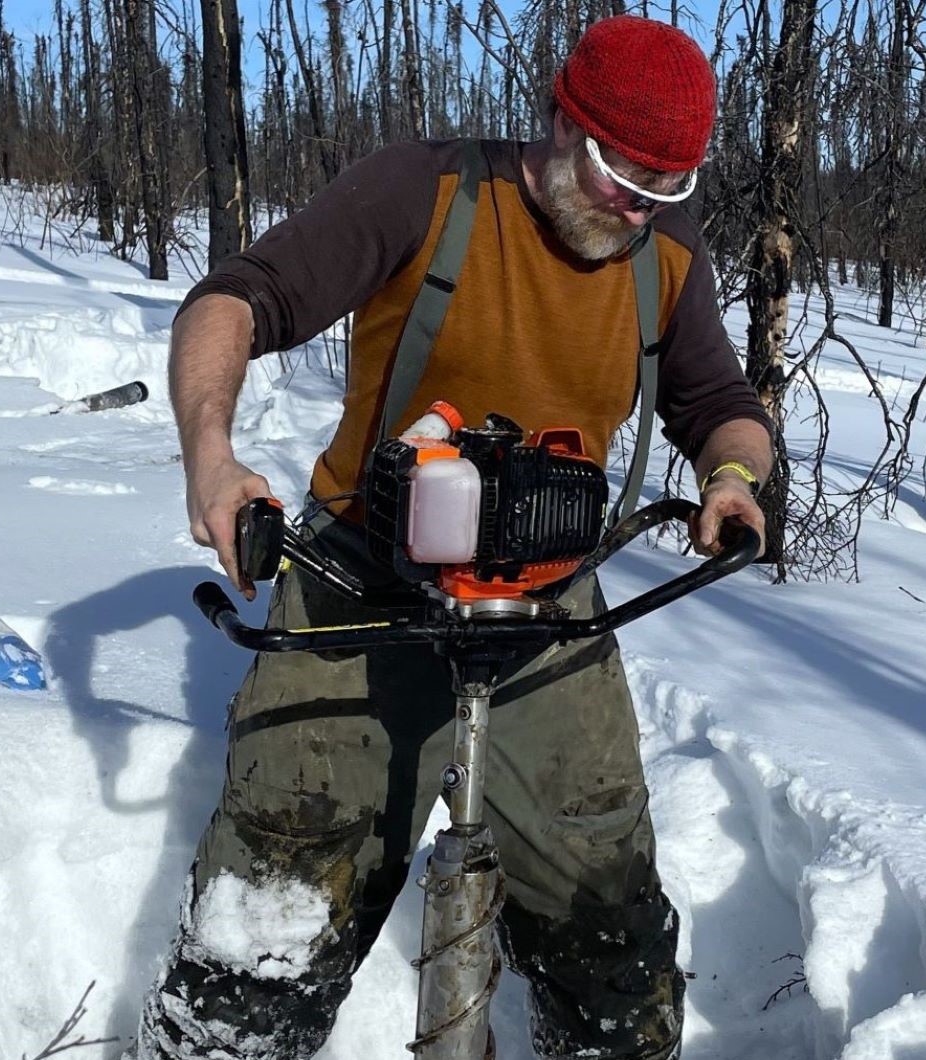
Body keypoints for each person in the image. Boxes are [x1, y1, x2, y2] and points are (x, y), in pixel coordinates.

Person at [133, 15, 777, 1060]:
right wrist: (211, 452)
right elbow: (233, 301)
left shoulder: (662, 245)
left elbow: (715, 398)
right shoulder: (425, 192)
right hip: (362, 582)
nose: (634, 207)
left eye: (666, 187)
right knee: (273, 912)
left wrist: (735, 476)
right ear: (563, 120)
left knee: (601, 906)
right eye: (621, 171)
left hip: (545, 599)